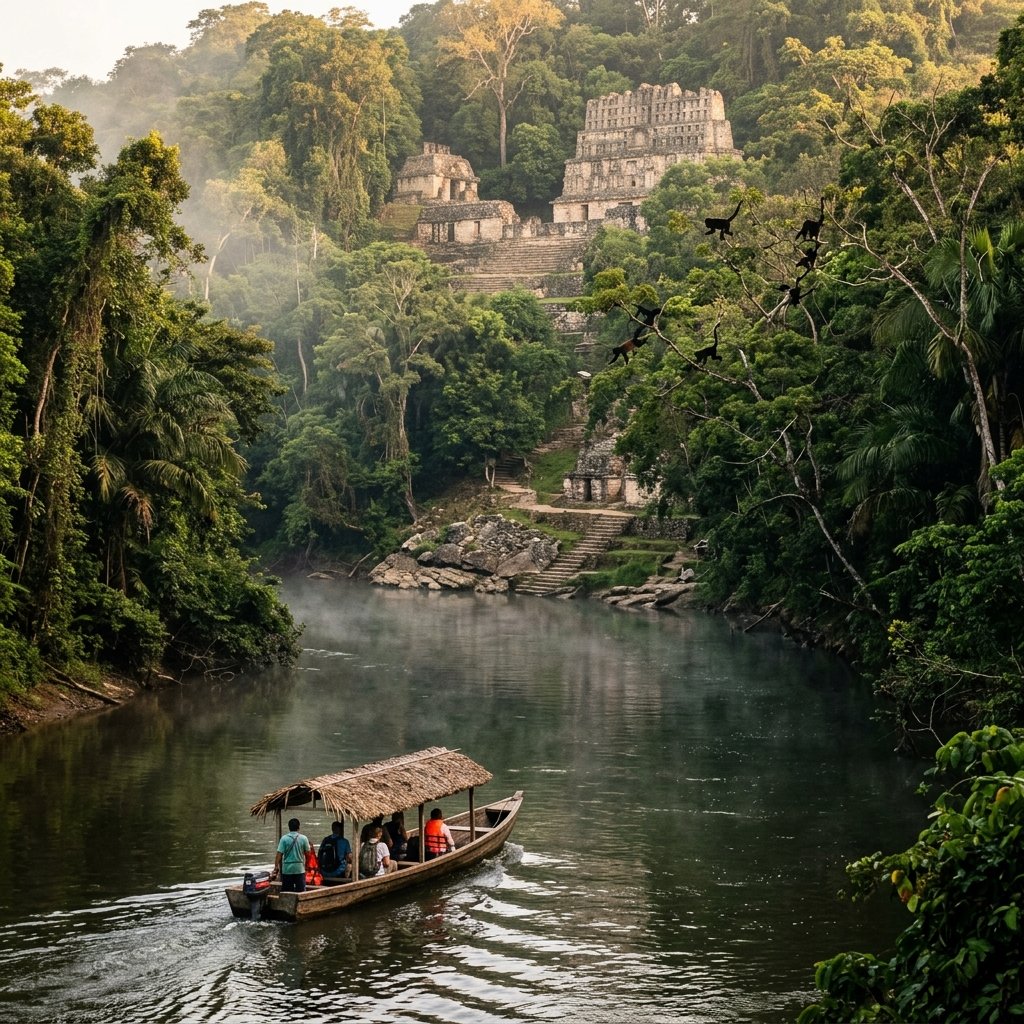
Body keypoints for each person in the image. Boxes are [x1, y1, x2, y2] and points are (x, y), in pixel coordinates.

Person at [272, 818, 312, 892]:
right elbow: (308, 855)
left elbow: (279, 855)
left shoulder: (284, 839)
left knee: (287, 891)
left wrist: (276, 867)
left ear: (289, 827)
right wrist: (306, 866)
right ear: (298, 827)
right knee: (301, 892)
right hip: (299, 869)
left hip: (287, 870)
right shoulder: (304, 838)